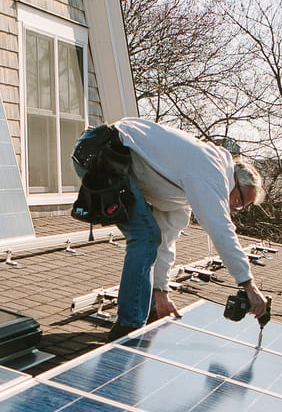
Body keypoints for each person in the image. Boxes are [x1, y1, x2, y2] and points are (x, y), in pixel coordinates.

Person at [74, 117, 267, 340]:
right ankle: (129, 326)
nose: (234, 209)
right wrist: (248, 285)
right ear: (234, 182)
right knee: (144, 236)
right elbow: (221, 230)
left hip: (111, 156)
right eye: (239, 202)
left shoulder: (184, 192)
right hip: (101, 153)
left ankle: (147, 311)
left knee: (152, 236)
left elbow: (166, 240)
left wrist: (161, 291)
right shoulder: (210, 170)